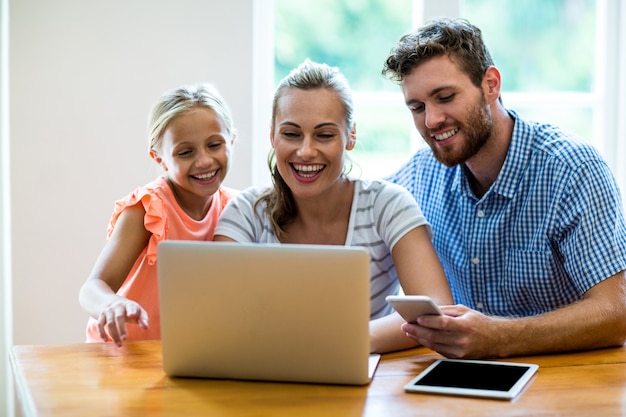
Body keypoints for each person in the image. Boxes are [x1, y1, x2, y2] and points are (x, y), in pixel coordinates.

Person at [382, 17, 626, 359]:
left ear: (491, 85)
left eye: (446, 97)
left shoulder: (571, 170)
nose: (432, 120)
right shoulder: (419, 175)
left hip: (566, 383)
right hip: (463, 385)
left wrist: (499, 337)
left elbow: (616, 313)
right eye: (417, 107)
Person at [213, 59, 453, 354]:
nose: (306, 151)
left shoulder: (387, 205)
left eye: (324, 135)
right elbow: (217, 316)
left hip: (362, 382)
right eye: (291, 134)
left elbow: (437, 310)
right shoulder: (245, 212)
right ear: (272, 135)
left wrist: (340, 342)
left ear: (350, 136)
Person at [79, 83, 238, 346]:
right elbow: (92, 288)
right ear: (159, 159)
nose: (204, 161)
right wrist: (112, 304)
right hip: (119, 353)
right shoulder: (148, 209)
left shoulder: (236, 208)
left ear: (231, 141)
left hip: (178, 354)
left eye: (214, 145)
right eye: (185, 152)